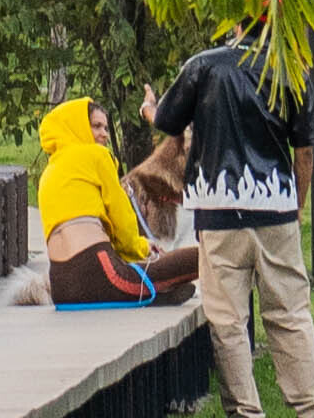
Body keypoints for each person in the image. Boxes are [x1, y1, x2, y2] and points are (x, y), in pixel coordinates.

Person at [144, 14, 314, 418]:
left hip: (218, 208)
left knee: (227, 320)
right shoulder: (290, 71)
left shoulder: (203, 66)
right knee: (290, 312)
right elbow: (304, 151)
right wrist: (296, 206)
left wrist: (151, 108)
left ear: (234, 27)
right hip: (275, 206)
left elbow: (166, 123)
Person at [31, 88, 199, 307]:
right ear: (77, 126)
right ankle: (153, 292)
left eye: (106, 127)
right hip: (99, 274)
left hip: (61, 287)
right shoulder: (96, 156)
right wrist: (143, 248)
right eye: (96, 126)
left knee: (147, 279)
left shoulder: (50, 171)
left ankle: (156, 295)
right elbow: (123, 223)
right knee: (200, 258)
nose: (104, 134)